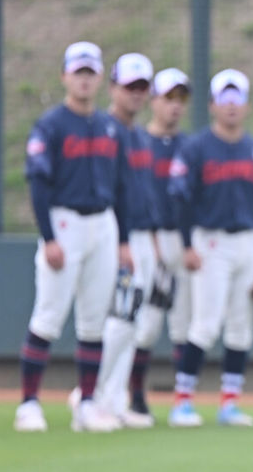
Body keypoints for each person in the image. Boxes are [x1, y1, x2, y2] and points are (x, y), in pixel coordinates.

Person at [15, 41, 131, 433]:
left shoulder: (110, 127)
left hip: (103, 222)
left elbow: (123, 188)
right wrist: (48, 236)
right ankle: (28, 403)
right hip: (64, 222)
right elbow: (37, 183)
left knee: (94, 321)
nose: (83, 79)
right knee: (48, 315)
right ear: (65, 76)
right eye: (77, 72)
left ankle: (87, 403)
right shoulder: (51, 125)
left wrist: (123, 240)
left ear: (99, 78)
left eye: (90, 72)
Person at [167, 68, 253, 427]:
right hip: (210, 241)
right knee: (205, 323)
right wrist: (187, 244)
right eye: (225, 99)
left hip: (249, 241)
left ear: (247, 106)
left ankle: (229, 404)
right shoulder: (197, 147)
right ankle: (182, 402)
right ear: (213, 105)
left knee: (240, 325)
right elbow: (182, 201)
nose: (232, 106)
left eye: (238, 99)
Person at [86, 52, 163, 429]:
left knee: (134, 322)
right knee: (120, 317)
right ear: (113, 87)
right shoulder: (105, 130)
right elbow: (108, 191)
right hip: (119, 237)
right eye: (129, 86)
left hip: (144, 237)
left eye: (142, 88)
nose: (135, 94)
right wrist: (120, 241)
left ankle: (114, 399)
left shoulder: (138, 136)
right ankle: (90, 394)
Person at [139, 67, 193, 414]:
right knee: (144, 325)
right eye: (167, 98)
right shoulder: (138, 141)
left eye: (181, 99)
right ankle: (131, 395)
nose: (174, 106)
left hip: (183, 240)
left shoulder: (190, 146)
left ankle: (181, 400)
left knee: (183, 323)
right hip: (145, 238)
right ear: (153, 100)